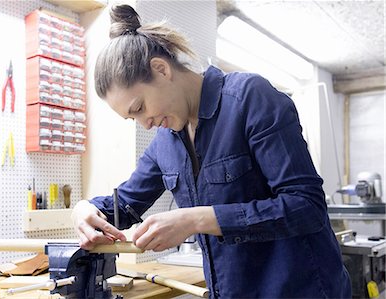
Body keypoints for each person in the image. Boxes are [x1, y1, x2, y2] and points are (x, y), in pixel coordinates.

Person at [72, 4, 351, 298]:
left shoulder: (249, 99)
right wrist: (84, 210)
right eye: (133, 118)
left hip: (301, 289)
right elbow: (124, 205)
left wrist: (196, 219)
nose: (145, 124)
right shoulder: (164, 143)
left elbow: (306, 207)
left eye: (140, 108)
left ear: (161, 69)